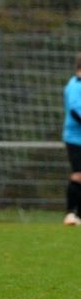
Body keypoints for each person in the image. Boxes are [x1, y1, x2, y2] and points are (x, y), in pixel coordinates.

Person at [62, 52, 81, 225]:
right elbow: (76, 111)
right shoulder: (75, 85)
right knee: (78, 175)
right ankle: (70, 213)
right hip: (76, 139)